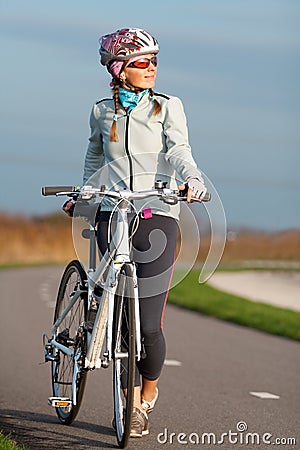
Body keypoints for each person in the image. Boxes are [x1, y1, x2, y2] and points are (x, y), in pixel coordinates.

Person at [64, 27, 207, 438]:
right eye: (143, 62)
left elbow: (180, 150)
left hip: (158, 214)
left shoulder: (167, 107)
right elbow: (95, 153)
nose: (152, 69)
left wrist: (191, 178)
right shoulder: (100, 111)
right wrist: (86, 193)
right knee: (116, 308)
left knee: (147, 324)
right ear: (119, 68)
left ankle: (146, 398)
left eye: (155, 61)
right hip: (113, 212)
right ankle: (117, 381)